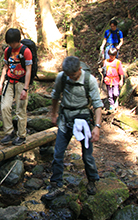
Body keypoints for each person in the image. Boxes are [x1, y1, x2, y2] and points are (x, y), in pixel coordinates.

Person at [42, 56, 103, 200]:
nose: (71, 78)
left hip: (84, 120)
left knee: (87, 155)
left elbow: (97, 104)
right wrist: (54, 114)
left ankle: (92, 180)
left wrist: (97, 126)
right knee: (58, 154)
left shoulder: (90, 80)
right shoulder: (62, 77)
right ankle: (57, 183)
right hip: (65, 119)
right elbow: (55, 96)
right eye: (69, 76)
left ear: (80, 70)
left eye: (74, 76)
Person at [0, 28, 32, 146]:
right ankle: (9, 132)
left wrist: (25, 89)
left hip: (21, 83)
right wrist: (1, 83)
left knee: (20, 110)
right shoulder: (7, 51)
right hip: (9, 82)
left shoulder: (25, 51)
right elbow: (5, 67)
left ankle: (21, 135)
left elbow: (28, 71)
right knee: (5, 107)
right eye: (10, 43)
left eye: (14, 42)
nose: (12, 45)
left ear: (18, 40)